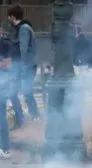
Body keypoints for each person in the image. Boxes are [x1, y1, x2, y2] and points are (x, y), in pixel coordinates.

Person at [7, 5, 40, 124]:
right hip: (21, 67)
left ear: (13, 16)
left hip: (26, 67)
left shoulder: (24, 29)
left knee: (26, 93)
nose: (8, 19)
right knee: (13, 93)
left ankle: (35, 117)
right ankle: (22, 120)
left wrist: (21, 69)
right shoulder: (21, 29)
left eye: (9, 17)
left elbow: (23, 49)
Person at [0, 24, 13, 158]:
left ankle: (4, 147)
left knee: (1, 114)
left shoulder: (6, 44)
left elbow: (8, 62)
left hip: (2, 81)